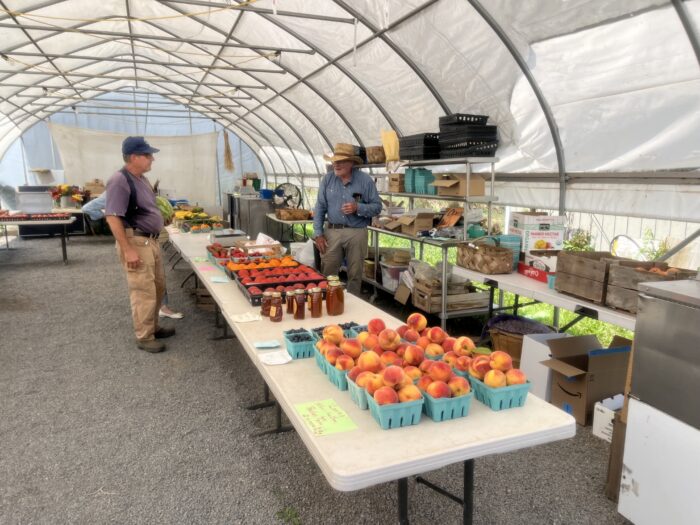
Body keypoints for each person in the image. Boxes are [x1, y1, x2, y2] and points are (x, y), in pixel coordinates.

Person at [105, 137, 175, 353]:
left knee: (157, 287)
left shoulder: (141, 179)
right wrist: (128, 250)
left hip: (150, 241)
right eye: (147, 155)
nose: (152, 158)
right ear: (134, 157)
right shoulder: (120, 180)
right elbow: (112, 217)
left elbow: (147, 208)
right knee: (143, 290)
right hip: (136, 242)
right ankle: (144, 337)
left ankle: (153, 326)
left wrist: (161, 219)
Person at [88, 188, 184, 320]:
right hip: (134, 241)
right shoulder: (116, 191)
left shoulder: (136, 189)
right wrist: (112, 218)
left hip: (148, 238)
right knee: (143, 282)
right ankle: (147, 328)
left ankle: (159, 311)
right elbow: (88, 208)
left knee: (156, 276)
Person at [313, 143, 383, 295]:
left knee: (355, 273)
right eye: (335, 161)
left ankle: (353, 307)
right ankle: (328, 301)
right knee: (328, 271)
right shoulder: (327, 180)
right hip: (332, 231)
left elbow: (377, 207)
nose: (336, 165)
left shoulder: (365, 181)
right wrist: (318, 234)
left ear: (352, 163)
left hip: (357, 232)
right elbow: (319, 208)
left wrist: (358, 207)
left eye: (341, 161)